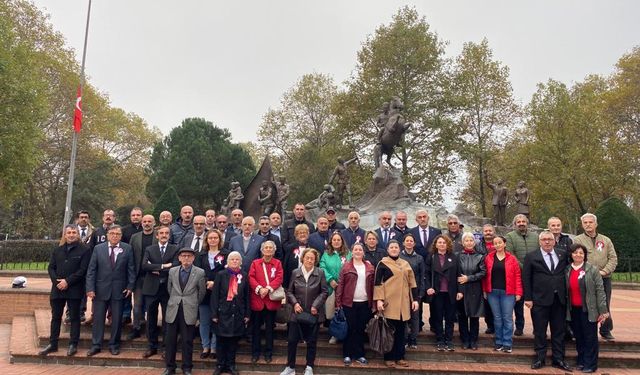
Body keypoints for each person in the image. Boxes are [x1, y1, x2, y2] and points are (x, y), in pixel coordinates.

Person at [523, 231, 571, 371]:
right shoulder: (531, 256)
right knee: (539, 331)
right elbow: (526, 278)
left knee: (559, 331)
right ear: (539, 242)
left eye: (549, 239)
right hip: (539, 300)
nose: (547, 242)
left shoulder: (562, 254)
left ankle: (558, 359)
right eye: (544, 239)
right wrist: (528, 298)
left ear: (554, 241)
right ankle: (540, 358)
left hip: (559, 300)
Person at [39, 225, 90, 357]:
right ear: (65, 235)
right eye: (69, 233)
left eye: (74, 232)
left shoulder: (84, 250)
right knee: (56, 317)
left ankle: (73, 344)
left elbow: (83, 270)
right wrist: (57, 282)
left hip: (74, 289)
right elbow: (51, 268)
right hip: (57, 289)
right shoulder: (58, 250)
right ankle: (53, 344)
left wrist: (67, 281)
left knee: (74, 318)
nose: (71, 235)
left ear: (77, 234)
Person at [85, 225, 136, 356]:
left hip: (119, 290)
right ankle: (96, 345)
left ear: (120, 236)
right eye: (112, 233)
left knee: (117, 319)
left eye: (117, 234)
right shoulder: (98, 248)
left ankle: (114, 344)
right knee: (98, 319)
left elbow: (131, 269)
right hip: (100, 290)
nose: (115, 236)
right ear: (107, 235)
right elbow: (91, 270)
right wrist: (90, 288)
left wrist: (130, 286)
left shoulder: (127, 248)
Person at [280, 248, 328, 375]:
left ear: (315, 260)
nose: (309, 260)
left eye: (312, 258)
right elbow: (289, 291)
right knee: (292, 340)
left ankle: (309, 366)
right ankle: (290, 367)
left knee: (312, 341)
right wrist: (295, 303)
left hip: (313, 313)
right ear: (302, 258)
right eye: (307, 258)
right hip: (297, 312)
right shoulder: (295, 272)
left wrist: (316, 306)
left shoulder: (320, 272)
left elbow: (324, 291)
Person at [573, 212, 618, 341]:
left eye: (590, 222)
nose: (588, 225)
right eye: (585, 223)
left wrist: (604, 271)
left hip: (604, 278)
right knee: (584, 304)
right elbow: (575, 257)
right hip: (585, 277)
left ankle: (605, 329)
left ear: (596, 224)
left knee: (604, 304)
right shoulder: (578, 240)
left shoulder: (606, 240)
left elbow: (613, 258)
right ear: (582, 225)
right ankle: (582, 329)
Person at [374, 240, 418, 368]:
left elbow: (412, 283)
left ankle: (400, 356)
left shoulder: (405, 264)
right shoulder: (382, 264)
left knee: (401, 332)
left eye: (396, 247)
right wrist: (379, 299)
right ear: (387, 250)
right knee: (389, 332)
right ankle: (389, 357)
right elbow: (378, 283)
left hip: (403, 304)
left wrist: (414, 299)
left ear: (399, 249)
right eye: (391, 247)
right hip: (389, 303)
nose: (394, 249)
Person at [566, 243, 609, 373]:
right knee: (579, 336)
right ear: (571, 254)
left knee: (590, 337)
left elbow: (600, 290)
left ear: (584, 255)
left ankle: (591, 364)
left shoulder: (592, 269)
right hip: (573, 309)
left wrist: (603, 310)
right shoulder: (567, 269)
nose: (578, 255)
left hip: (589, 310)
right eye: (575, 252)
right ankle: (581, 361)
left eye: (581, 253)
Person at [162, 247, 206, 375]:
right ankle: (170, 367)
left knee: (187, 341)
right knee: (170, 340)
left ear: (193, 258)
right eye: (184, 256)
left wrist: (193, 303)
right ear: (179, 258)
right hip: (173, 309)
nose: (186, 258)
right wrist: (175, 300)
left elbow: (201, 292)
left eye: (189, 256)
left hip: (189, 309)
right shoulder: (172, 271)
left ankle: (187, 367)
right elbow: (169, 289)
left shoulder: (199, 272)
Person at [141, 225, 179, 358]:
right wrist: (164, 266)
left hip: (167, 289)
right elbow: (144, 265)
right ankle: (152, 346)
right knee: (151, 319)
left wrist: (155, 268)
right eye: (161, 233)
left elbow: (175, 265)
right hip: (151, 288)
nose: (164, 235)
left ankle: (165, 348)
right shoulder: (149, 249)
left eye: (166, 233)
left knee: (167, 320)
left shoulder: (175, 249)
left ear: (169, 235)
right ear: (156, 235)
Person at [335, 242, 374, 366]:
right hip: (348, 303)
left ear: (363, 252)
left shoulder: (369, 267)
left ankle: (359, 354)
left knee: (360, 329)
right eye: (355, 249)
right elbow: (340, 285)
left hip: (364, 303)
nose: (358, 251)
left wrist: (373, 303)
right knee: (349, 329)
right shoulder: (346, 267)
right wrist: (338, 303)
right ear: (352, 252)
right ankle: (347, 354)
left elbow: (373, 286)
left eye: (360, 249)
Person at [211, 251, 249, 375]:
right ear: (227, 262)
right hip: (223, 312)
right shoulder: (221, 275)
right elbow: (215, 296)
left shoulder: (244, 275)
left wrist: (247, 314)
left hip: (237, 313)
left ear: (240, 262)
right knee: (221, 340)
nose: (234, 261)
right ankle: (220, 364)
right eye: (232, 259)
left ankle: (231, 365)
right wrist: (214, 314)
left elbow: (247, 296)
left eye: (237, 259)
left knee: (233, 341)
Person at [482, 235, 522, 354]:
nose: (498, 245)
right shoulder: (488, 258)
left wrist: (519, 292)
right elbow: (485, 276)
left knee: (507, 318)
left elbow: (518, 276)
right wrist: (484, 290)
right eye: (495, 243)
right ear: (493, 245)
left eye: (500, 242)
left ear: (504, 244)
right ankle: (499, 342)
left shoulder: (512, 259)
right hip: (492, 292)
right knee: (497, 318)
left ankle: (507, 343)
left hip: (508, 292)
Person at [248, 241, 283, 364]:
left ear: (274, 251)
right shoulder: (255, 263)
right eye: (266, 248)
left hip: (270, 301)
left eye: (270, 248)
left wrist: (268, 289)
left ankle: (268, 353)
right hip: (257, 300)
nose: (268, 250)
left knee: (269, 330)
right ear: (262, 250)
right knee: (256, 329)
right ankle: (255, 353)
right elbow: (251, 277)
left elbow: (279, 277)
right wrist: (259, 289)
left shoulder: (277, 263)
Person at [426, 235, 463, 351]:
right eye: (439, 242)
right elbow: (426, 275)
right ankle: (440, 340)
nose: (442, 244)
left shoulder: (454, 257)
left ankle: (449, 340)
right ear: (435, 245)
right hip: (437, 292)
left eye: (444, 242)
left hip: (450, 292)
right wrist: (428, 287)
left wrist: (460, 291)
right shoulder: (431, 257)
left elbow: (459, 274)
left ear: (448, 244)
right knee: (437, 317)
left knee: (450, 317)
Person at [194, 229, 227, 359]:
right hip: (204, 292)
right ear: (206, 240)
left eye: (215, 238)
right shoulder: (200, 255)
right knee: (204, 321)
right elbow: (197, 272)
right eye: (210, 238)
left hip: (220, 293)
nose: (213, 240)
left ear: (219, 239)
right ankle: (205, 346)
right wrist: (207, 282)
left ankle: (214, 347)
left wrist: (216, 283)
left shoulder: (226, 254)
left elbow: (227, 273)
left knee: (216, 321)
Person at [505, 214, 539, 336]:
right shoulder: (510, 236)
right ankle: (519, 326)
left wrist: (532, 267)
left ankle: (537, 328)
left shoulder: (536, 237)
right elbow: (509, 253)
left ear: (527, 223)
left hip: (535, 275)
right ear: (515, 224)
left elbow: (539, 253)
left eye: (523, 221)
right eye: (518, 222)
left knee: (536, 304)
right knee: (518, 303)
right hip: (517, 274)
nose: (521, 223)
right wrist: (524, 268)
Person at [127, 214, 157, 340]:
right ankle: (136, 328)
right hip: (139, 276)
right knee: (137, 305)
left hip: (153, 276)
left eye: (150, 221)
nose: (147, 223)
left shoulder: (158, 235)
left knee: (151, 305)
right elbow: (130, 255)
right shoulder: (135, 237)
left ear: (154, 223)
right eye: (145, 221)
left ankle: (151, 330)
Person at [320, 231, 351, 344]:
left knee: (345, 311)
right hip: (332, 287)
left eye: (339, 240)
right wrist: (330, 279)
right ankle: (334, 334)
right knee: (332, 312)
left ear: (342, 241)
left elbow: (351, 267)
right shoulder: (326, 254)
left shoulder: (348, 254)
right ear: (331, 242)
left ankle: (345, 333)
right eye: (334, 240)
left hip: (346, 288)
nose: (336, 242)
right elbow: (322, 267)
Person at [457, 232, 486, 350]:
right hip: (462, 290)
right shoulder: (458, 256)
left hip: (475, 289)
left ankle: (473, 340)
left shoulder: (480, 256)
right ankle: (464, 340)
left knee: (474, 316)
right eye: (466, 241)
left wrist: (469, 278)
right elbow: (456, 273)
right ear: (463, 243)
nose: (469, 243)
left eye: (471, 240)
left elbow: (483, 272)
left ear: (474, 242)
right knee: (462, 316)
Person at [399, 234, 425, 349]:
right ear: (403, 243)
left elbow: (422, 276)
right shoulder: (399, 257)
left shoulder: (419, 258)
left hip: (415, 290)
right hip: (402, 291)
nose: (409, 242)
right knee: (404, 316)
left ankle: (413, 339)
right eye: (407, 241)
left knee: (415, 316)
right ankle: (404, 338)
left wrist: (420, 294)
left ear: (414, 243)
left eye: (411, 241)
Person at [477, 224, 496, 334]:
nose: (488, 232)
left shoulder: (499, 242)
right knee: (487, 303)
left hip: (498, 276)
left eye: (490, 231)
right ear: (482, 232)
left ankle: (499, 325)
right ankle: (490, 325)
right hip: (484, 276)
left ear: (494, 231)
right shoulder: (478, 246)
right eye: (486, 231)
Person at [283, 224, 311, 288]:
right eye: (300, 233)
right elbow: (286, 266)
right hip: (293, 281)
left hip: (309, 282)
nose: (302, 234)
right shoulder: (290, 248)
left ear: (308, 234)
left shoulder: (311, 248)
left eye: (304, 232)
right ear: (296, 235)